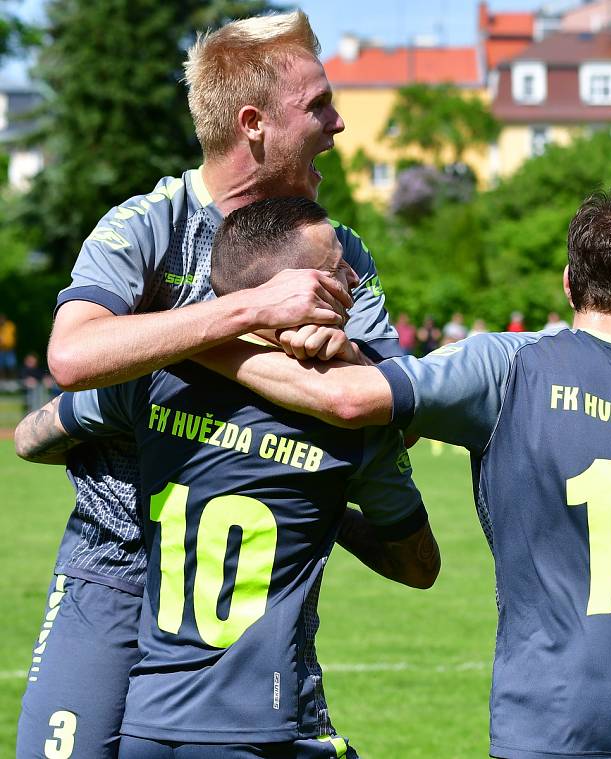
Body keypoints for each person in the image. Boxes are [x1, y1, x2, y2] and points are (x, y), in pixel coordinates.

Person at [197, 184, 611, 759]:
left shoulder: (508, 366)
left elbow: (350, 399)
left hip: (546, 727)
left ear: (569, 281)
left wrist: (190, 342)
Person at [17, 11, 403, 759]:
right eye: (318, 105)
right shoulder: (146, 224)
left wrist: (172, 347)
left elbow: (383, 399)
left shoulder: (339, 247)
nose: (340, 123)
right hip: (112, 563)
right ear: (254, 124)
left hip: (247, 587)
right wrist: (257, 311)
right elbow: (73, 354)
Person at [15, 197, 440, 759]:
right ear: (289, 289)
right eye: (336, 269)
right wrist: (330, 509)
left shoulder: (148, 383)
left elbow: (31, 437)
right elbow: (418, 566)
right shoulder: (352, 424)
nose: (354, 277)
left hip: (148, 723)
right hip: (267, 726)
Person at [0, 312, 17, 379]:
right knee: (1, 366)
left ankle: (12, 379)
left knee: (11, 365)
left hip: (9, 349)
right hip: (1, 349)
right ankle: (2, 380)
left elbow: (11, 337)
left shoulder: (10, 325)